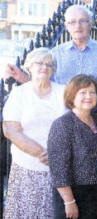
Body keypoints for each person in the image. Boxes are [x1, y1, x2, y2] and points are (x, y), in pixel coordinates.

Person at [2, 47, 67, 218]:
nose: (44, 67)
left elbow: (73, 128)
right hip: (26, 169)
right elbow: (10, 130)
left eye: (49, 64)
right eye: (40, 63)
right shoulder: (19, 94)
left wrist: (56, 154)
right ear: (29, 66)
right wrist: (43, 153)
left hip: (57, 170)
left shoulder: (63, 92)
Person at [47, 74, 97, 219]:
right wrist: (69, 202)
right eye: (82, 92)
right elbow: (59, 169)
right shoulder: (63, 124)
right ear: (72, 96)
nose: (88, 96)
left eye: (92, 92)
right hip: (74, 195)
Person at [5, 4, 97, 85]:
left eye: (83, 21)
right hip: (61, 112)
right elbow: (42, 86)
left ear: (91, 23)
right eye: (72, 22)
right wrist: (20, 76)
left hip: (96, 113)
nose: (78, 26)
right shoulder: (55, 54)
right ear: (66, 26)